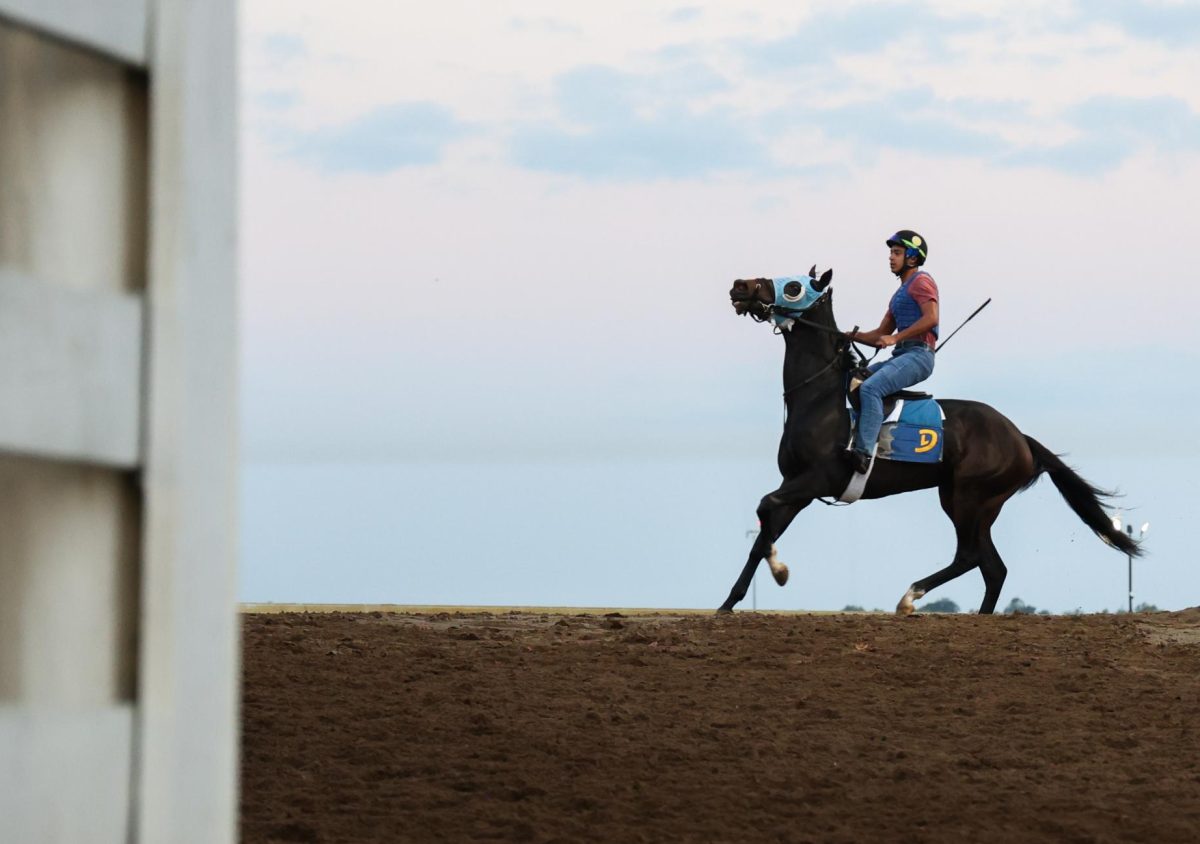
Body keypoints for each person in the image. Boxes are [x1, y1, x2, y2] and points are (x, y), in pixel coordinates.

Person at [847, 230, 940, 474]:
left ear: (912, 258)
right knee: (854, 380)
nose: (891, 257)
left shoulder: (921, 281)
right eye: (891, 252)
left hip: (919, 356)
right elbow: (880, 334)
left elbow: (931, 318)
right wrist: (847, 335)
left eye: (897, 253)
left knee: (870, 388)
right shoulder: (899, 294)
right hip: (902, 355)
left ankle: (865, 453)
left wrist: (896, 337)